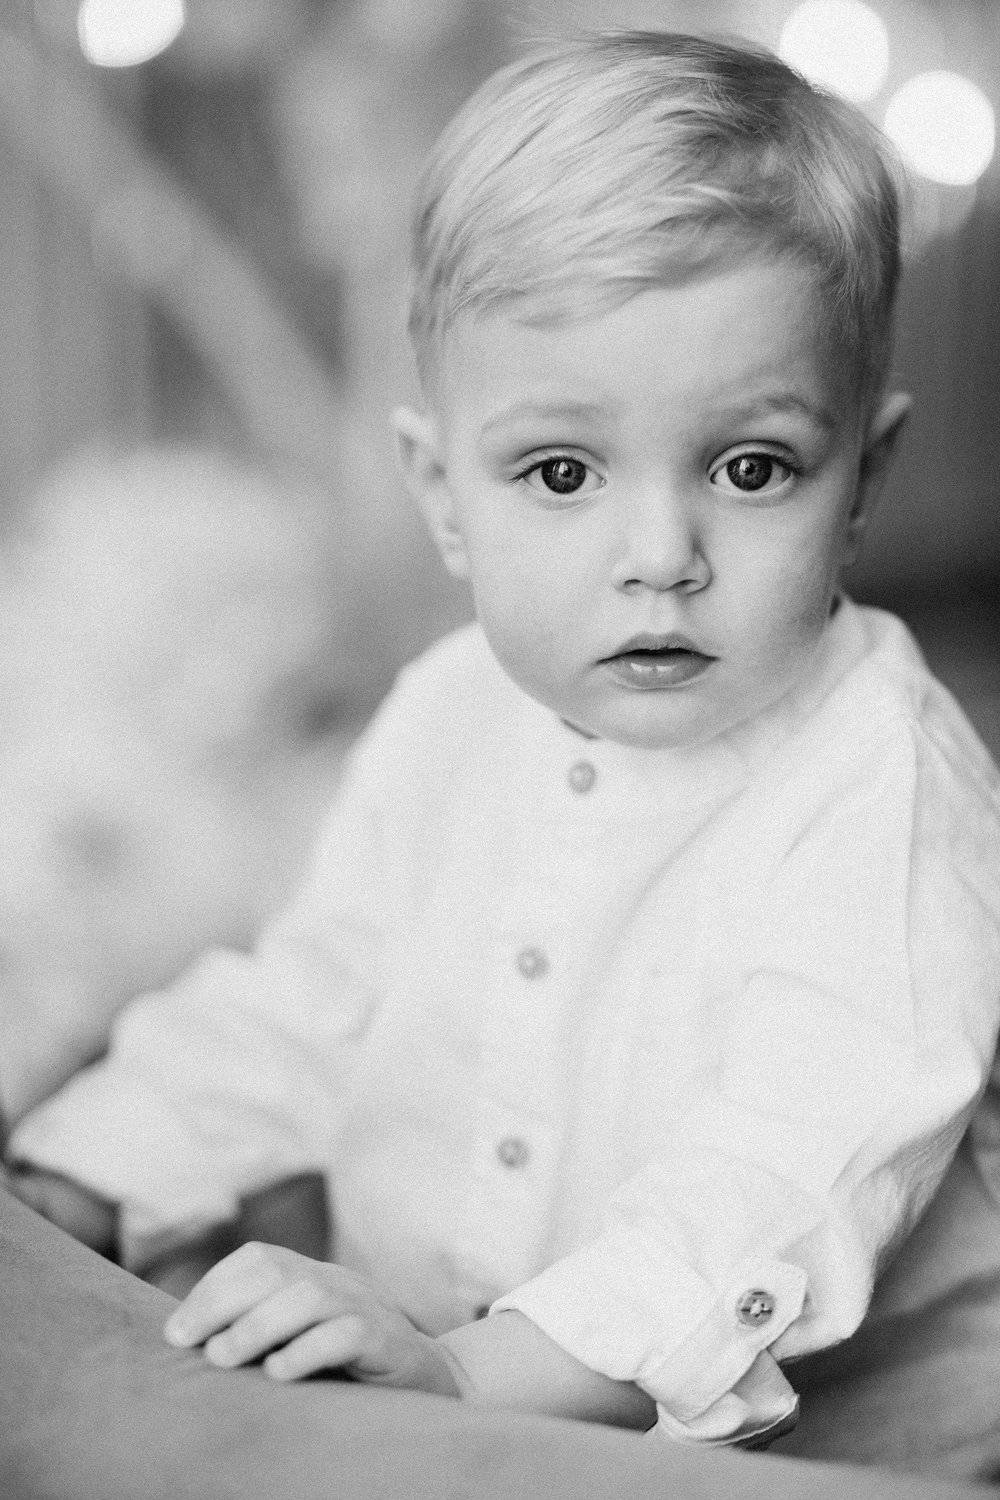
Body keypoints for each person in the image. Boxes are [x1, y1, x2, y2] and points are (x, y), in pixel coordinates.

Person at [6, 29, 1000, 1448]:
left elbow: (780, 1180)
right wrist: (90, 1169)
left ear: (864, 478)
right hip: (456, 1399)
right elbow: (315, 1003)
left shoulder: (882, 788)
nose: (659, 555)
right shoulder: (446, 710)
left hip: (824, 1455)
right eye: (561, 470)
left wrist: (475, 1375)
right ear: (442, 492)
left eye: (751, 466)